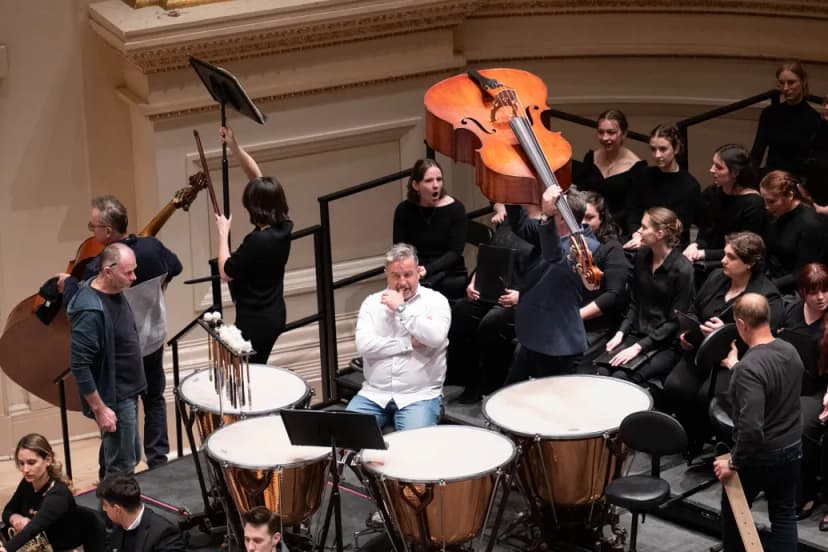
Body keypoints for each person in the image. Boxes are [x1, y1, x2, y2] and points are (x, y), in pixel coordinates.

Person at [60, 195, 182, 469]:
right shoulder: (152, 248)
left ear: (107, 230)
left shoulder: (98, 268)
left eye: (93, 227)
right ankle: (158, 462)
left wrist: (67, 283)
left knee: (125, 430)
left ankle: (120, 476)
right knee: (152, 402)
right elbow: (175, 266)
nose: (91, 232)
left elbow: (74, 299)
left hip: (127, 355)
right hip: (150, 343)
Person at [663, 232, 782, 451]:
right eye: (724, 254)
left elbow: (764, 339)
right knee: (674, 387)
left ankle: (709, 443)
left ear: (748, 263)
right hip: (701, 349)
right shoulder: (717, 276)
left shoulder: (766, 296)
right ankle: (689, 437)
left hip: (735, 358)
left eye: (731, 257)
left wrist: (727, 333)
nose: (723, 260)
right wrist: (688, 331)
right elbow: (694, 308)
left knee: (704, 397)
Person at [713, 293, 802, 552]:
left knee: (733, 513)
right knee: (784, 514)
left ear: (741, 324)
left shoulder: (749, 368)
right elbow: (769, 381)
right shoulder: (790, 351)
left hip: (761, 457)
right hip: (792, 449)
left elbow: (751, 428)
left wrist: (734, 462)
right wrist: (736, 366)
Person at [346, 243, 451, 431]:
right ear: (386, 273)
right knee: (343, 438)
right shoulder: (371, 303)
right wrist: (408, 343)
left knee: (410, 452)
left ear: (419, 272)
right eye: (396, 275)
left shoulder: (436, 301)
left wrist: (401, 309)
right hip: (374, 394)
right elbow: (364, 346)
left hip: (419, 396)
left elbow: (434, 337)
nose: (402, 282)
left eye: (408, 274)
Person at [214, 126, 292, 365]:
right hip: (275, 313)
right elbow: (256, 177)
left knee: (248, 371)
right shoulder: (285, 226)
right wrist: (234, 147)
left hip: (254, 320)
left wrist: (222, 233)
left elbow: (226, 271)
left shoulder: (257, 241)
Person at [446, 205, 539, 403]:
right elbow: (491, 255)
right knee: (461, 312)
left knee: (491, 323)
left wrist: (521, 295)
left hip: (522, 297)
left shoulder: (544, 227)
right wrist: (474, 281)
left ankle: (491, 384)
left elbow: (546, 272)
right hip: (492, 290)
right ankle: (468, 380)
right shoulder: (509, 218)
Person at [67, 243, 145, 477]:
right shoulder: (90, 311)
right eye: (128, 272)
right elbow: (79, 365)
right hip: (115, 397)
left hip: (128, 392)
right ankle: (117, 511)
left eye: (134, 270)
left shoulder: (110, 287)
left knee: (125, 454)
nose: (134, 277)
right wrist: (100, 409)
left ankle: (107, 504)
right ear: (108, 271)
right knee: (122, 465)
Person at [503, 187, 595, 383]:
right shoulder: (547, 234)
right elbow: (520, 224)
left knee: (551, 407)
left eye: (553, 215)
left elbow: (554, 256)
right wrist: (509, 188)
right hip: (535, 336)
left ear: (561, 219)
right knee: (511, 398)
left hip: (558, 345)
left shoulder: (584, 248)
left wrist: (546, 216)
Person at [601, 207, 694, 385]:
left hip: (663, 343)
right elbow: (634, 303)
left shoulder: (683, 269)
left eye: (644, 227)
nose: (639, 231)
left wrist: (639, 347)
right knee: (602, 371)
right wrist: (620, 333)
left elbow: (675, 321)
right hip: (636, 333)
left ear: (659, 233)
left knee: (621, 379)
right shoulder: (641, 256)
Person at [777, 263, 828, 520]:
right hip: (791, 381)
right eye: (813, 292)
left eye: (825, 291)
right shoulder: (791, 312)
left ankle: (805, 493)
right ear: (802, 293)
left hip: (820, 390)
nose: (821, 297)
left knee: (800, 426)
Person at [393, 159, 468, 299]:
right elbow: (400, 248)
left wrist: (427, 270)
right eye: (428, 181)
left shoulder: (456, 209)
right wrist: (412, 269)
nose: (436, 185)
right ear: (416, 185)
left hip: (448, 270)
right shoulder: (404, 210)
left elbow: (454, 252)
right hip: (415, 267)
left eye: (439, 179)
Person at [684, 144, 765, 265]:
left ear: (735, 172)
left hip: (735, 264)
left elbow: (745, 249)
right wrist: (695, 245)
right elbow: (705, 231)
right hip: (708, 260)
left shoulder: (753, 203)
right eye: (713, 164)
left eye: (718, 167)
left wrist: (704, 253)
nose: (711, 170)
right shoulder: (712, 192)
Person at [1, 434, 82, 552]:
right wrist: (16, 518)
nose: (25, 470)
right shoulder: (28, 483)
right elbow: (7, 511)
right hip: (37, 546)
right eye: (21, 463)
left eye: (31, 462)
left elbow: (32, 530)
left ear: (48, 460)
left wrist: (6, 549)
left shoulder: (58, 494)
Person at [624, 125, 701, 249]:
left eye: (663, 149)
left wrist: (645, 237)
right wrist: (636, 234)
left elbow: (678, 227)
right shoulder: (644, 176)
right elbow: (633, 211)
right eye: (653, 149)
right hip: (641, 238)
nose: (657, 155)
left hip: (671, 246)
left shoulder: (689, 185)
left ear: (676, 149)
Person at [578, 191, 632, 369]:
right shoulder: (566, 243)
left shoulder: (611, 248)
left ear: (601, 219)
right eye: (579, 217)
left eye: (589, 217)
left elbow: (613, 295)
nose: (583, 223)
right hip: (568, 319)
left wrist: (576, 316)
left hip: (596, 326)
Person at [573, 109, 647, 237]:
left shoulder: (637, 167)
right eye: (601, 132)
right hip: (588, 227)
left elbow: (632, 210)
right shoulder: (590, 158)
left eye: (611, 132)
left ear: (623, 133)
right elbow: (581, 195)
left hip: (619, 231)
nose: (605, 137)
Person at [750, 60, 821, 178]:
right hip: (771, 178)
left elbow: (813, 163)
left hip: (797, 181)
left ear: (803, 82)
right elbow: (757, 152)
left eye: (791, 82)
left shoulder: (813, 119)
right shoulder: (770, 113)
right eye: (782, 83)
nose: (786, 88)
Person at [759, 169, 826, 293]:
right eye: (764, 201)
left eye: (772, 201)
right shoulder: (774, 213)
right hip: (770, 277)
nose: (766, 207)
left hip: (793, 290)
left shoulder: (810, 225)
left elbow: (801, 273)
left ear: (790, 195)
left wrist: (765, 288)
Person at [97, 473, 185, 552]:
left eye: (105, 505)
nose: (104, 509)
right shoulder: (118, 527)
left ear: (117, 509)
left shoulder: (164, 534)